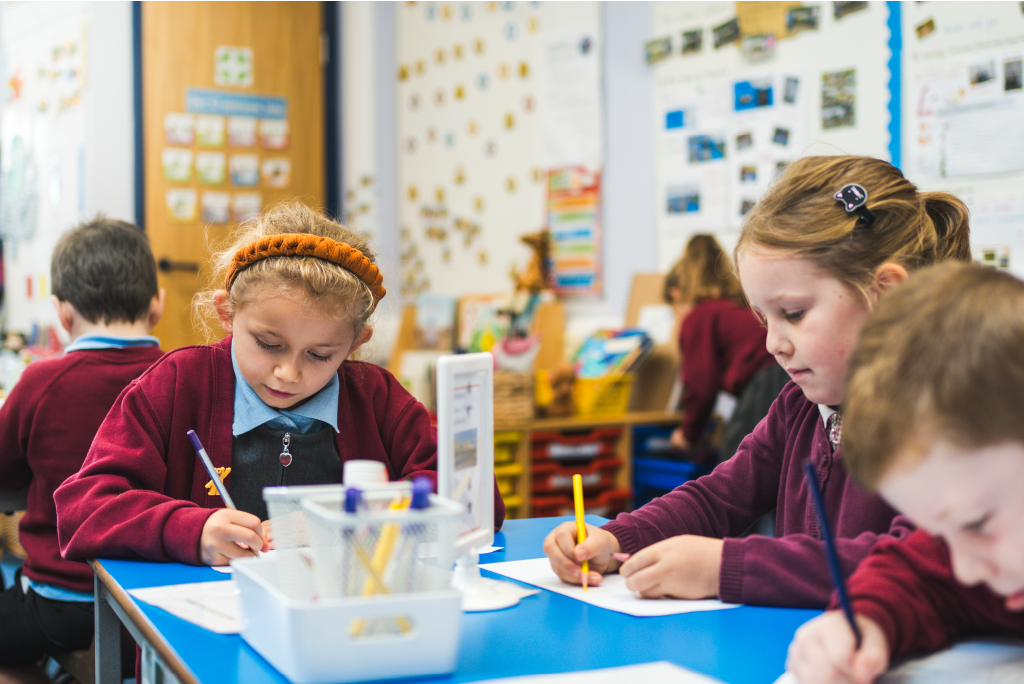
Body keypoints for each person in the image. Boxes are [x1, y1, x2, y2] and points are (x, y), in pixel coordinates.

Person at [543, 155, 971, 608]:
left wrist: (726, 566)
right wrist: (615, 538)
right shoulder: (799, 408)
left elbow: (910, 565)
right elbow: (717, 498)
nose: (773, 344)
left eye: (793, 314)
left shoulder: (956, 417)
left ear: (888, 295)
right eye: (764, 318)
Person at [55, 203, 504, 571]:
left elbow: (473, 499)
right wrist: (193, 531)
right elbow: (81, 509)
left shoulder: (377, 398)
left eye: (319, 355)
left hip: (341, 622)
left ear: (354, 344)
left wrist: (354, 520)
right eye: (269, 344)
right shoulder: (176, 385)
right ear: (227, 313)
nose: (288, 373)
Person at [786, 263, 1024, 684]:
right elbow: (916, 573)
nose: (965, 569)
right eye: (944, 534)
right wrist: (857, 625)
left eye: (976, 523)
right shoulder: (981, 559)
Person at [0, 218, 164, 684]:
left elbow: (5, 473)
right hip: (152, 609)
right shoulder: (179, 376)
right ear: (157, 305)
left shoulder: (41, 381)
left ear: (62, 313)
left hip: (61, 601)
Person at [663, 234, 787, 462]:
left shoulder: (700, 316)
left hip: (767, 384)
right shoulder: (738, 306)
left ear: (676, 294)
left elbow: (701, 386)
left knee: (737, 470)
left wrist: (688, 435)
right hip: (787, 376)